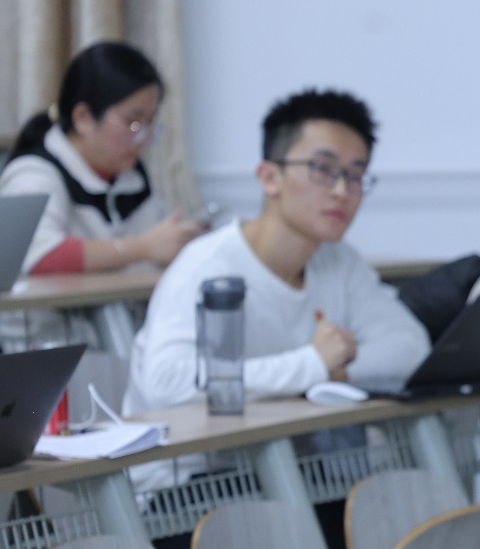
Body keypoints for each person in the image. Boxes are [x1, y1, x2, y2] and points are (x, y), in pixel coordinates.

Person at [125, 88, 429, 415]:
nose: (342, 191)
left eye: (355, 175)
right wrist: (310, 364)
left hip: (285, 442)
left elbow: (410, 345)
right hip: (189, 447)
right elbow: (166, 383)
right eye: (322, 169)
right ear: (270, 178)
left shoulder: (340, 261)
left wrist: (334, 374)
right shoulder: (207, 267)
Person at [0, 41, 205, 348]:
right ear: (83, 117)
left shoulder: (131, 176)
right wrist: (143, 248)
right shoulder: (35, 173)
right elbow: (41, 255)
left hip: (124, 336)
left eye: (150, 123)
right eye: (133, 122)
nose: (144, 137)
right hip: (48, 344)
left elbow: (161, 241)